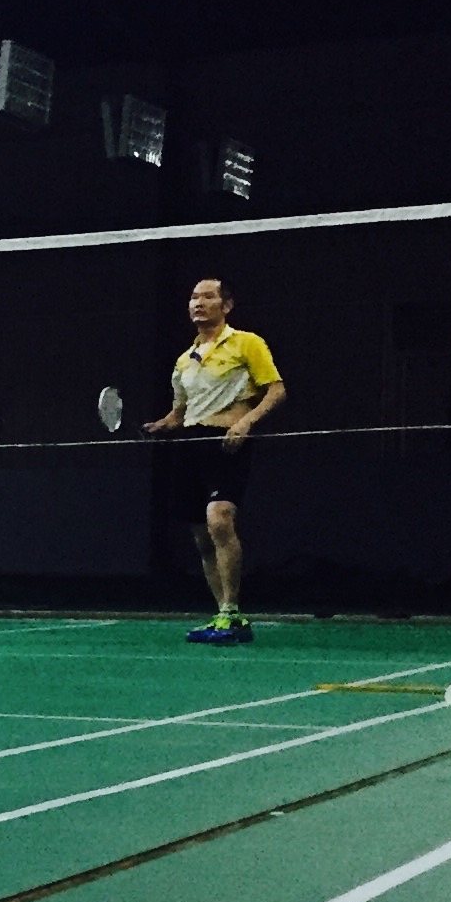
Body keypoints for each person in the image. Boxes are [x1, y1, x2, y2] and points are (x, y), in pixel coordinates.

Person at [142, 274, 285, 644]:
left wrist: (246, 422)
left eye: (207, 296)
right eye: (193, 297)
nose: (198, 303)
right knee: (202, 538)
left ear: (226, 306)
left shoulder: (246, 343)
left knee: (219, 518)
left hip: (227, 441)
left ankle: (233, 612)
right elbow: (179, 412)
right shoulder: (183, 360)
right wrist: (161, 425)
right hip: (189, 443)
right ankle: (225, 616)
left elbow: (276, 390)